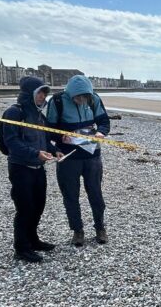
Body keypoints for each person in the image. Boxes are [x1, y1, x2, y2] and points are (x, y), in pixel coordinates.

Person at [45, 75, 111, 246]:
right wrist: (60, 136)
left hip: (92, 156)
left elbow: (104, 121)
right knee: (70, 196)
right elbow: (48, 129)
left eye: (84, 98)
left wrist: (101, 133)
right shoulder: (57, 101)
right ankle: (77, 230)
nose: (81, 101)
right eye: (78, 98)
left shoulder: (94, 99)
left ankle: (100, 227)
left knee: (96, 194)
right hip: (68, 157)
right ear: (71, 94)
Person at [2, 77, 62, 263]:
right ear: (30, 94)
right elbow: (11, 142)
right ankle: (21, 248)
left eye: (45, 93)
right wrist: (36, 153)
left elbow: (43, 139)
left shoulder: (38, 115)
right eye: (39, 92)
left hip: (38, 169)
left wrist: (55, 151)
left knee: (38, 206)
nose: (43, 96)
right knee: (25, 208)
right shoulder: (14, 113)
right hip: (20, 168)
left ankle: (33, 240)